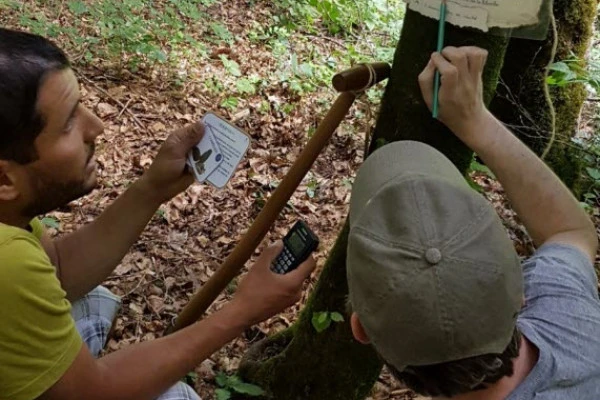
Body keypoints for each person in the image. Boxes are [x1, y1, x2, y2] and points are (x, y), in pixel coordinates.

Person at [0, 28, 315, 400]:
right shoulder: (8, 262)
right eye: (68, 123)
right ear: (5, 177)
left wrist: (152, 188)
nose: (96, 126)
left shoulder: (10, 219)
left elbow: (59, 270)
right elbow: (94, 393)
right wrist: (243, 309)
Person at [346, 46, 600, 399]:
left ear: (361, 329)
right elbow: (570, 232)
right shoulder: (573, 328)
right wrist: (475, 121)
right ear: (523, 292)